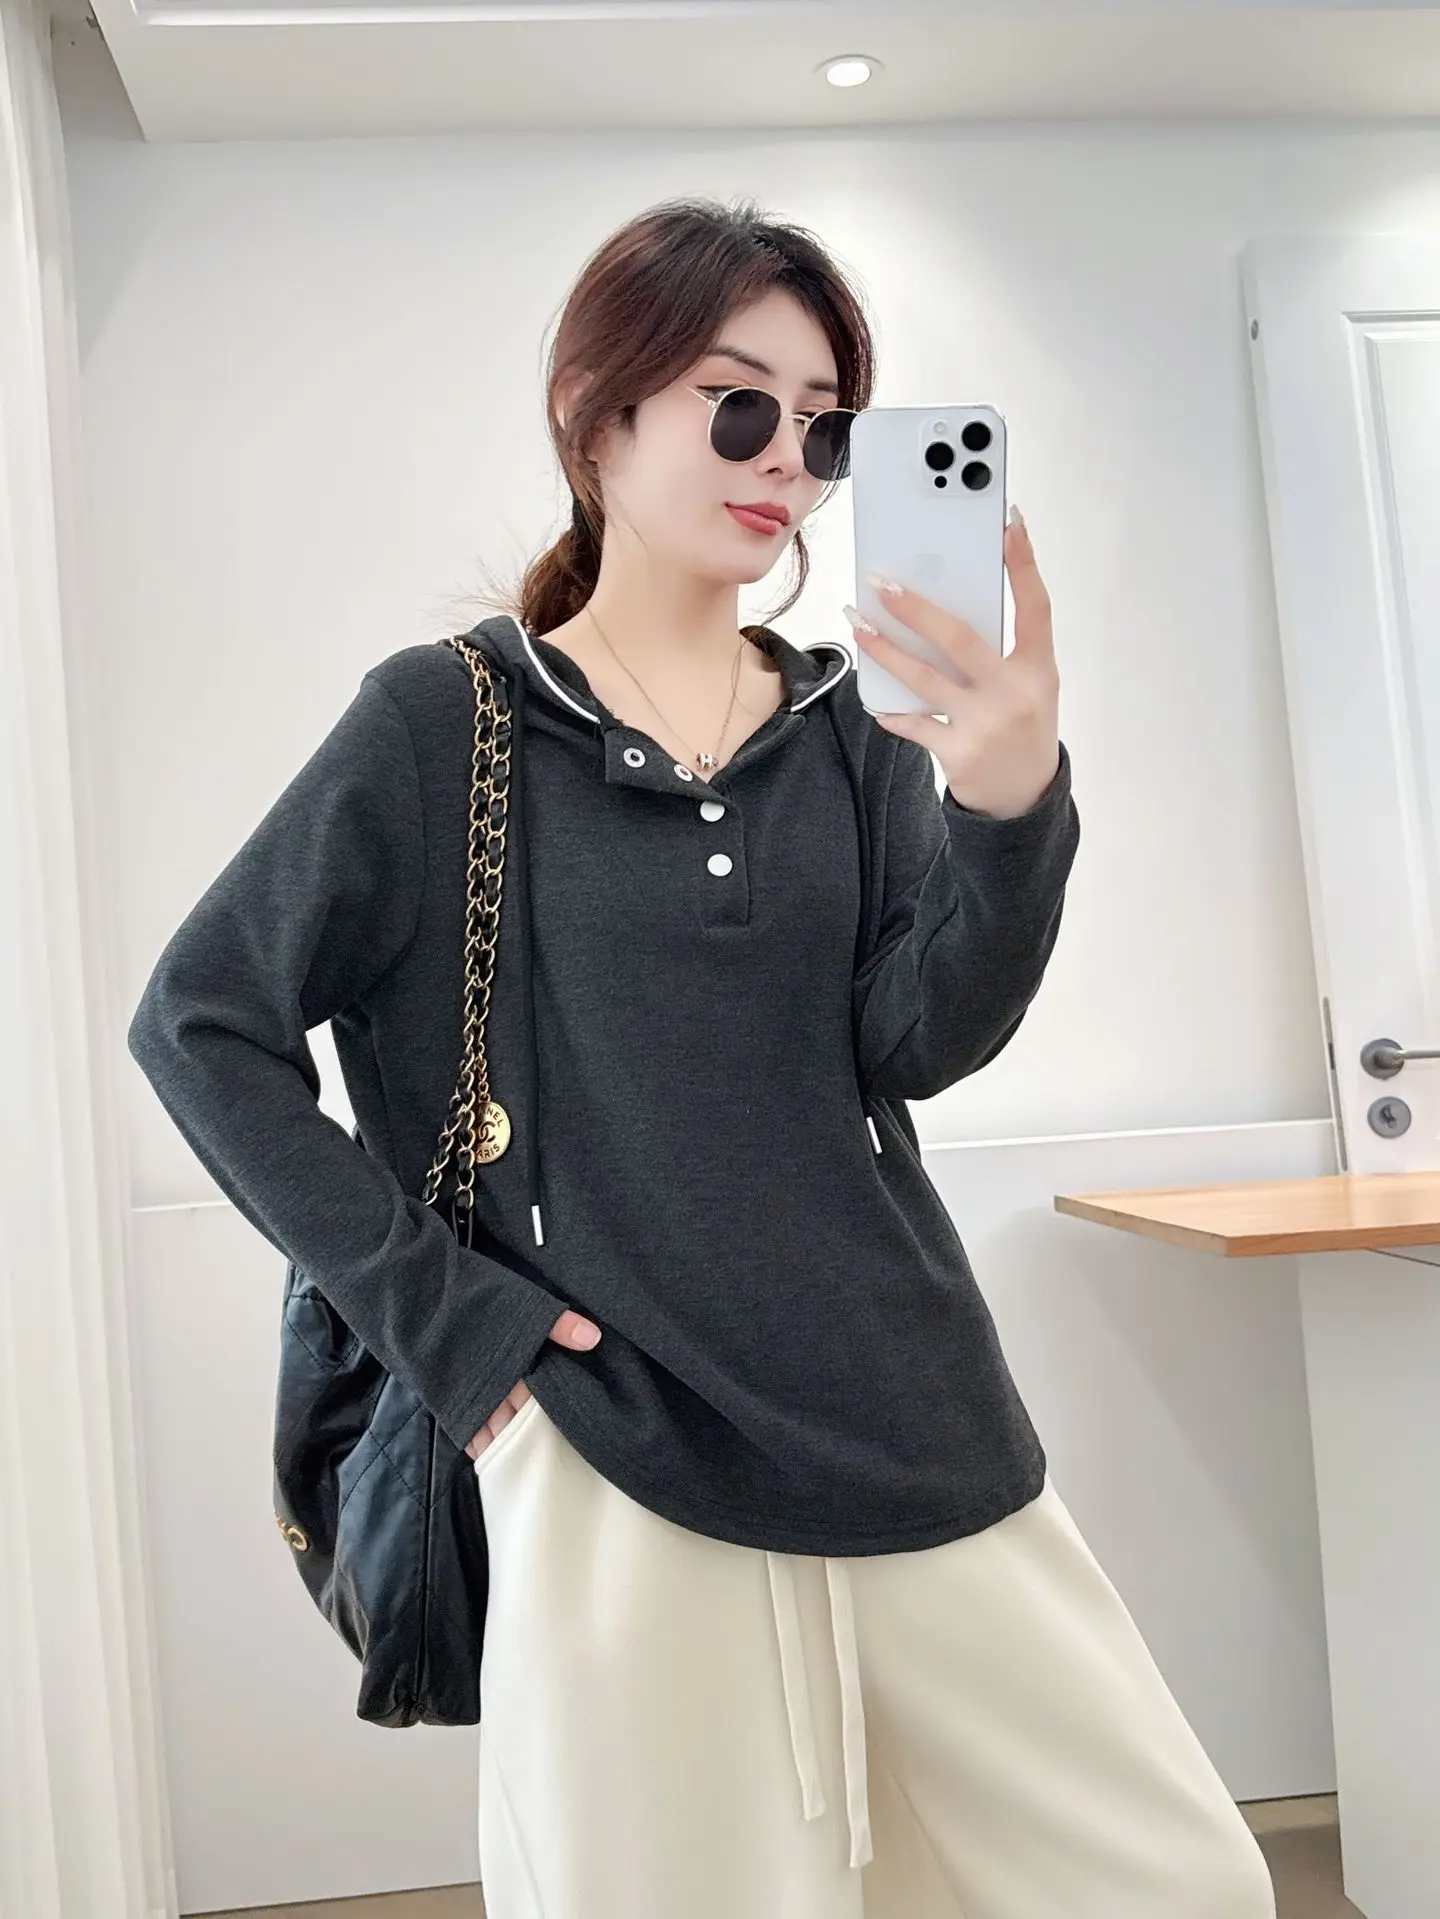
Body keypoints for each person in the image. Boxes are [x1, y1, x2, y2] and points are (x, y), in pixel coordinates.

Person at [127, 196, 1276, 1919]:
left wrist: (1009, 797)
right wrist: (457, 1328)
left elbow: (923, 1040)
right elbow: (199, 1021)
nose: (789, 460)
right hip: (612, 1441)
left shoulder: (850, 727)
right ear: (597, 416)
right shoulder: (445, 723)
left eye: (824, 425)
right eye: (741, 406)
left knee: (1178, 1882)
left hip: (911, 1409)